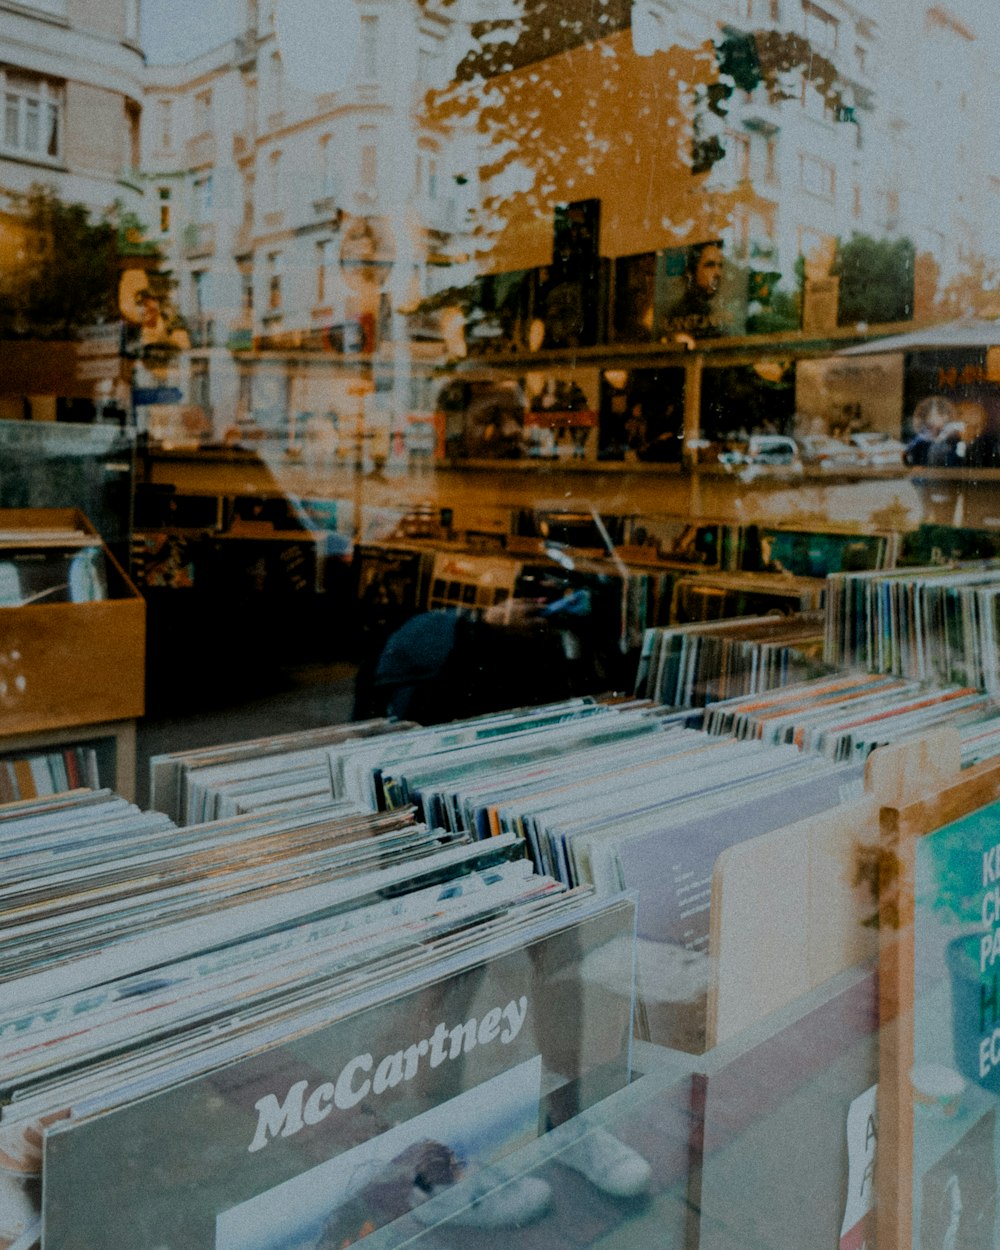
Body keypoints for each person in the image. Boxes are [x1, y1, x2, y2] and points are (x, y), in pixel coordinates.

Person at [662, 241, 727, 339]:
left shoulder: (713, 314)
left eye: (720, 266)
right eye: (710, 265)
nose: (718, 273)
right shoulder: (674, 315)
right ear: (691, 273)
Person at [904, 396, 953, 466]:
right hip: (922, 473)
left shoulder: (942, 440)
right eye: (941, 418)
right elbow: (905, 453)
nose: (944, 423)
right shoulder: (921, 439)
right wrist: (912, 467)